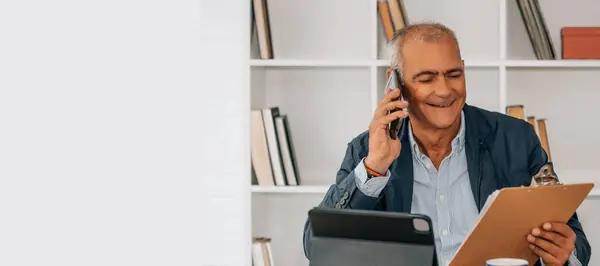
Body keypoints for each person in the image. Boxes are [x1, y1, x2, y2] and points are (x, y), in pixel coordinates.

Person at [301, 22, 591, 266]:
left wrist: (564, 255)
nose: (444, 90)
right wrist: (375, 167)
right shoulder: (367, 150)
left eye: (454, 74)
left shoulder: (516, 138)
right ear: (397, 85)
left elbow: (577, 243)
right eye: (426, 78)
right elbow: (318, 248)